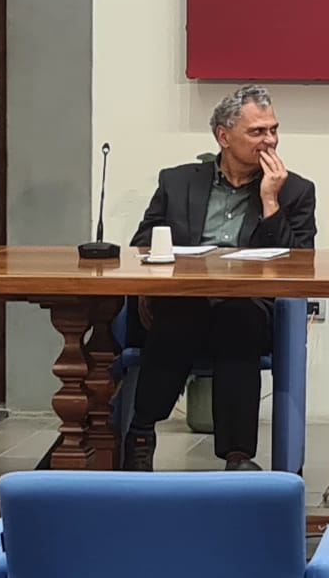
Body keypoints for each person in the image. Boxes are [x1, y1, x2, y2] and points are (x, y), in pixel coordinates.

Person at [121, 85, 316, 472]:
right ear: (223, 136)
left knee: (236, 315)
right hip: (182, 300)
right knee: (182, 312)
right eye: (257, 131)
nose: (270, 140)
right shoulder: (177, 182)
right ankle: (141, 434)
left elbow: (298, 264)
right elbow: (142, 244)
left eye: (273, 129)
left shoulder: (295, 191)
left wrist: (271, 202)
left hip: (249, 309)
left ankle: (237, 456)